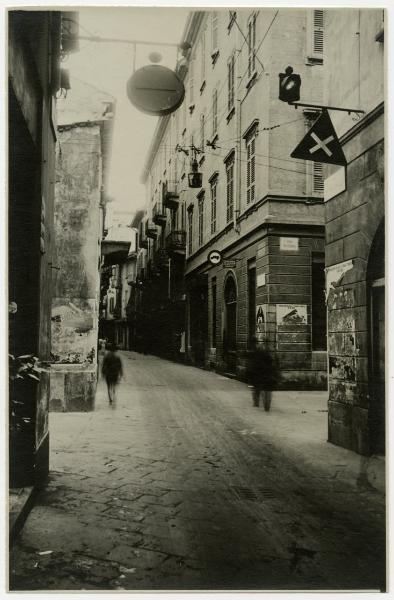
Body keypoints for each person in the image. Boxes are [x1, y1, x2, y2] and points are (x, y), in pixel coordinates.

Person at [248, 345, 279, 411]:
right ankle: (266, 405)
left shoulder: (258, 359)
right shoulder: (271, 359)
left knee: (258, 389)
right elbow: (275, 368)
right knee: (266, 391)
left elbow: (253, 367)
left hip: (262, 377)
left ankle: (257, 403)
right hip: (268, 377)